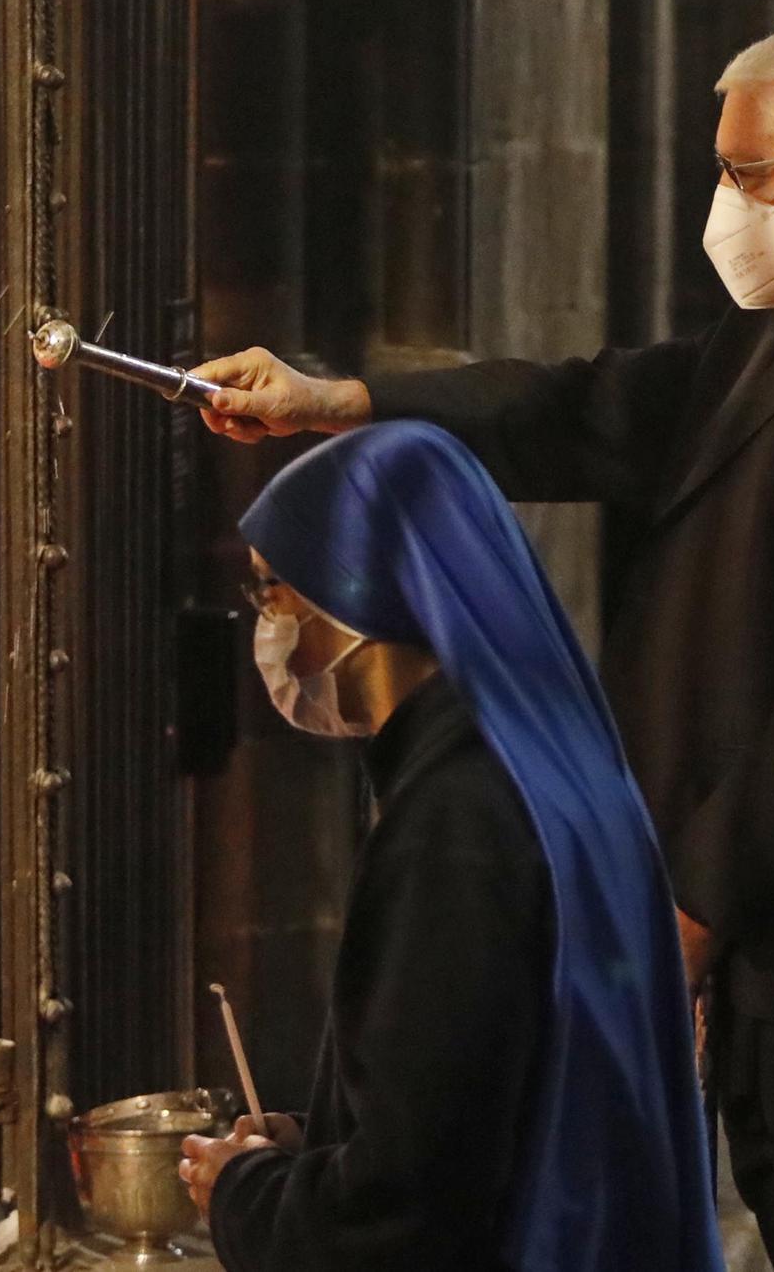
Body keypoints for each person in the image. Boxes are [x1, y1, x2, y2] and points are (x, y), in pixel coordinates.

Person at [192, 14, 774, 1272]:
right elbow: (586, 407)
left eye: (743, 175)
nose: (721, 202)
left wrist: (686, 908)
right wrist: (344, 399)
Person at [176, 421, 722, 1272]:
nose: (270, 626)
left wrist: (247, 1192)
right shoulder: (544, 767)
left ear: (350, 593)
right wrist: (317, 1146)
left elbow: (410, 1205)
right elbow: (482, 1084)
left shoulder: (453, 821)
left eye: (273, 591)